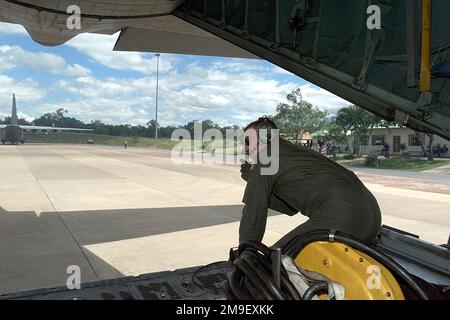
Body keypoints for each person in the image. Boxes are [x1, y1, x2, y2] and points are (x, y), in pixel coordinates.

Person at [239, 117, 382, 249]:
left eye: (247, 141)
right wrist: (253, 180)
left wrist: (246, 252)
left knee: (273, 263)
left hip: (343, 215)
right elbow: (289, 207)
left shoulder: (266, 156)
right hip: (371, 216)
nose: (245, 148)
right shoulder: (291, 150)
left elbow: (254, 210)